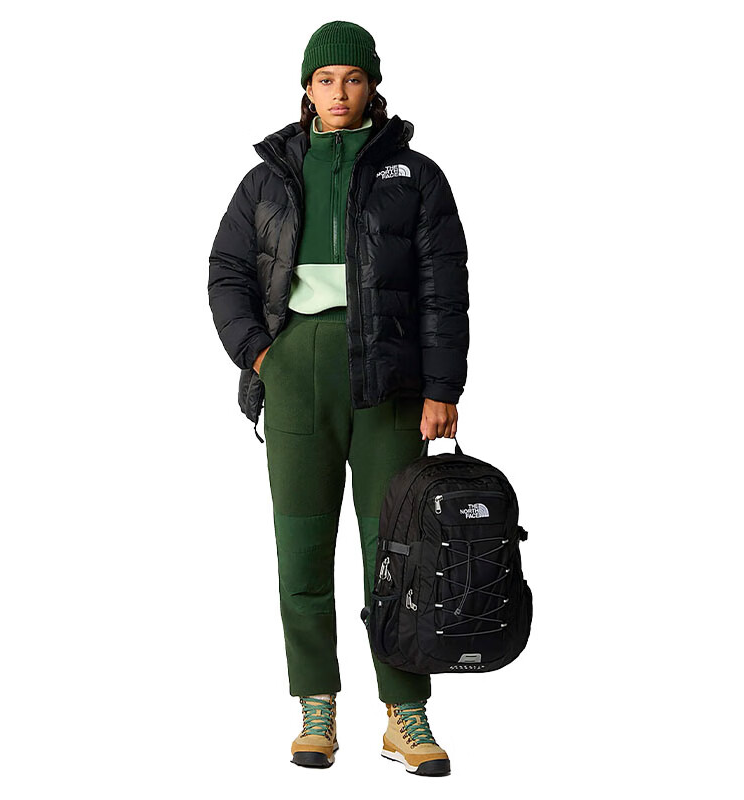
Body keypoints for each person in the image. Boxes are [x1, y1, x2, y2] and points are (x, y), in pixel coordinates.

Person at [208, 20, 469, 776]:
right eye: (326, 80)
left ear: (372, 86)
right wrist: (262, 355)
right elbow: (227, 271)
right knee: (302, 546)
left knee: (399, 551)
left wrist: (442, 386)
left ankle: (404, 710)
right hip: (296, 372)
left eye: (352, 78)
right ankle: (315, 705)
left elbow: (443, 286)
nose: (339, 93)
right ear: (307, 87)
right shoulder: (267, 178)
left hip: (390, 381)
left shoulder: (415, 176)